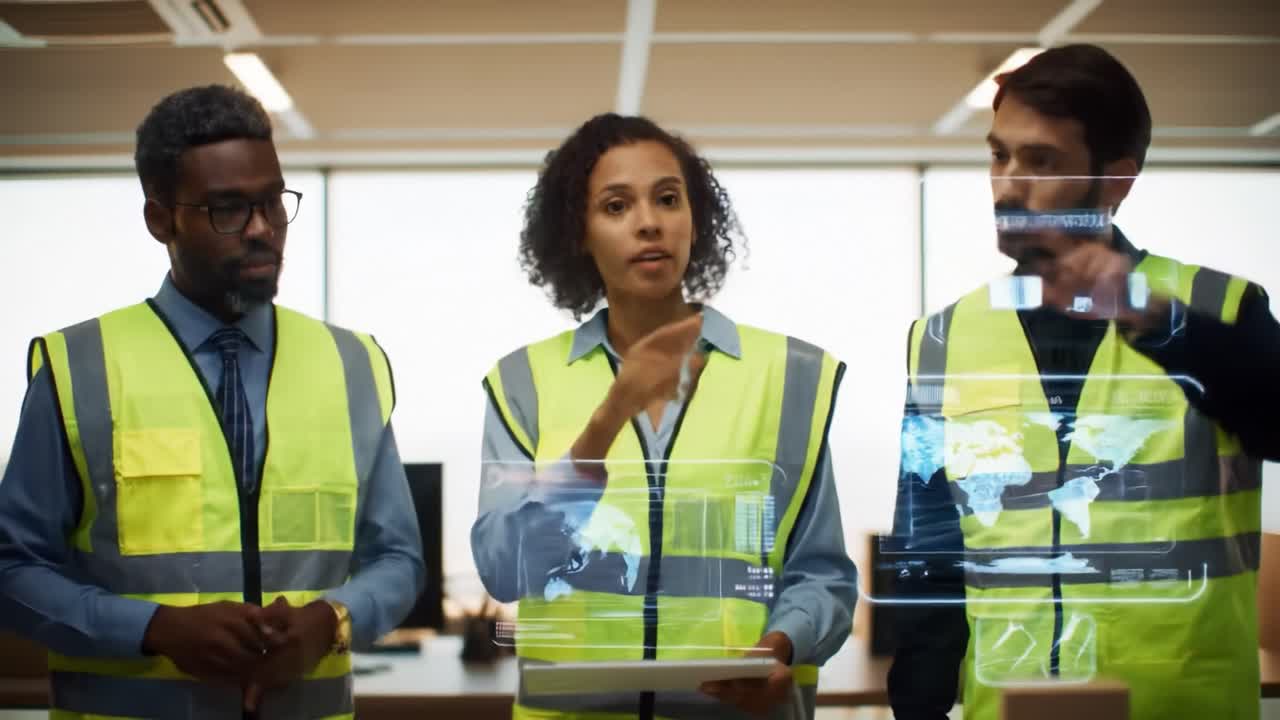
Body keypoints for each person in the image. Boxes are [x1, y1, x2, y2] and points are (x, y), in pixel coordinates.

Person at [0, 85, 425, 718]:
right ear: (160, 218)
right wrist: (155, 629)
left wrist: (331, 621)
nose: (261, 229)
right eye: (229, 209)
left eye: (273, 203)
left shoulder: (351, 364)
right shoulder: (78, 367)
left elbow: (399, 559)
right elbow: (13, 572)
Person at [886, 44, 1280, 720]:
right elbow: (932, 550)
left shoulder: (1218, 308)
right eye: (999, 155)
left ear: (1116, 181)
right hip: (1006, 706)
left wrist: (1155, 321)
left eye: (1042, 161)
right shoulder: (942, 338)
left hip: (1179, 705)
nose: (1008, 185)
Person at [471, 113, 856, 719]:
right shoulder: (522, 384)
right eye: (616, 206)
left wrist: (779, 646)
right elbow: (503, 570)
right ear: (579, 232)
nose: (649, 222)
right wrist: (609, 418)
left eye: (668, 199)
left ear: (694, 219)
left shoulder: (789, 376)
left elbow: (821, 574)